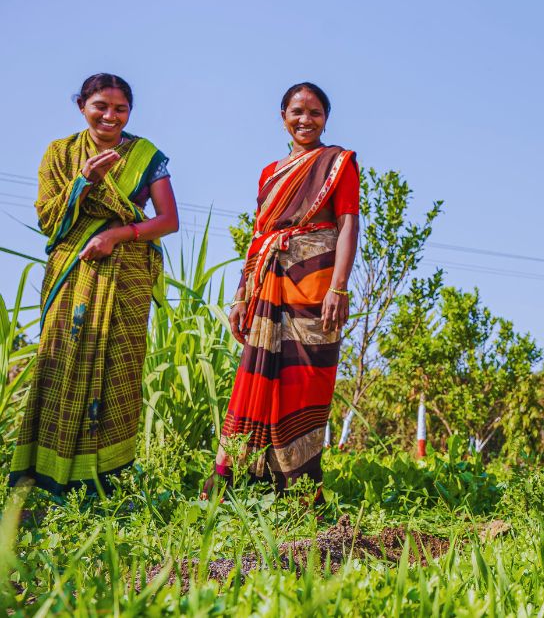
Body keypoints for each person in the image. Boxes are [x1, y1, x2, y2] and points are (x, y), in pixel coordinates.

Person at [10, 74, 179, 494]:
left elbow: (168, 220)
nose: (110, 116)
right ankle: (43, 478)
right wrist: (83, 181)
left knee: (118, 370)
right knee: (60, 361)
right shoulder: (61, 153)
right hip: (73, 270)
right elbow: (48, 219)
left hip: (126, 274)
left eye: (120, 109)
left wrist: (116, 235)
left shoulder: (145, 156)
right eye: (100, 106)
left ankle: (105, 481)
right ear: (82, 106)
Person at [204, 82, 359, 502]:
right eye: (297, 112)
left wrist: (338, 288)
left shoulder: (338, 164)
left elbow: (347, 225)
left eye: (315, 113)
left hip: (315, 283)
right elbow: (259, 236)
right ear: (282, 116)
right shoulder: (270, 173)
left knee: (307, 378)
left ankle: (300, 487)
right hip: (266, 283)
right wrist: (241, 297)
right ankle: (246, 484)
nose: (305, 120)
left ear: (326, 118)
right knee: (259, 375)